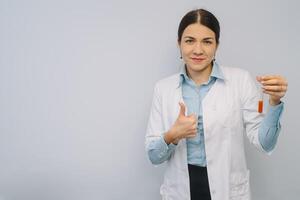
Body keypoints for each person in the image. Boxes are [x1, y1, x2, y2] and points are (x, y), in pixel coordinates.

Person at [145, 8, 288, 200]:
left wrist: (274, 102)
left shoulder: (241, 81)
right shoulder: (163, 89)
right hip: (180, 189)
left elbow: (264, 143)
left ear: (217, 45)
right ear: (179, 43)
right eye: (189, 41)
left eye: (207, 41)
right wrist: (173, 135)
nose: (198, 50)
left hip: (228, 189)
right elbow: (154, 156)